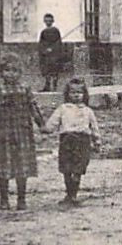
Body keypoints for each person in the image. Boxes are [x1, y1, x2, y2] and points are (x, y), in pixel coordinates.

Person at [0, 53, 45, 211]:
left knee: (22, 167)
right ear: (1, 72)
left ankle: (21, 199)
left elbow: (34, 108)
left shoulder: (25, 90)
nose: (11, 74)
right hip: (2, 135)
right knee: (3, 167)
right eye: (7, 70)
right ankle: (4, 199)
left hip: (22, 133)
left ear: (20, 73)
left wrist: (41, 124)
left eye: (15, 71)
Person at [43, 77, 100, 205]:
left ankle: (73, 194)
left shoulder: (88, 111)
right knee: (66, 169)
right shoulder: (63, 109)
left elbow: (94, 127)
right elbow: (53, 122)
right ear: (67, 94)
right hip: (67, 141)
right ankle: (69, 194)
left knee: (78, 169)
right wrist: (46, 128)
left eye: (79, 92)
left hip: (82, 141)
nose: (76, 95)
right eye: (73, 92)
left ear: (84, 94)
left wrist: (97, 142)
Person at [38, 13, 64, 93]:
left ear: (52, 21)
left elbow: (58, 42)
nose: (48, 22)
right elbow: (41, 42)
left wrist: (52, 49)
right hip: (46, 55)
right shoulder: (43, 32)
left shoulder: (55, 31)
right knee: (46, 71)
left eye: (49, 21)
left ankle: (55, 86)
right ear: (44, 21)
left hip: (54, 55)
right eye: (46, 21)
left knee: (55, 71)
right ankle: (47, 86)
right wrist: (44, 50)